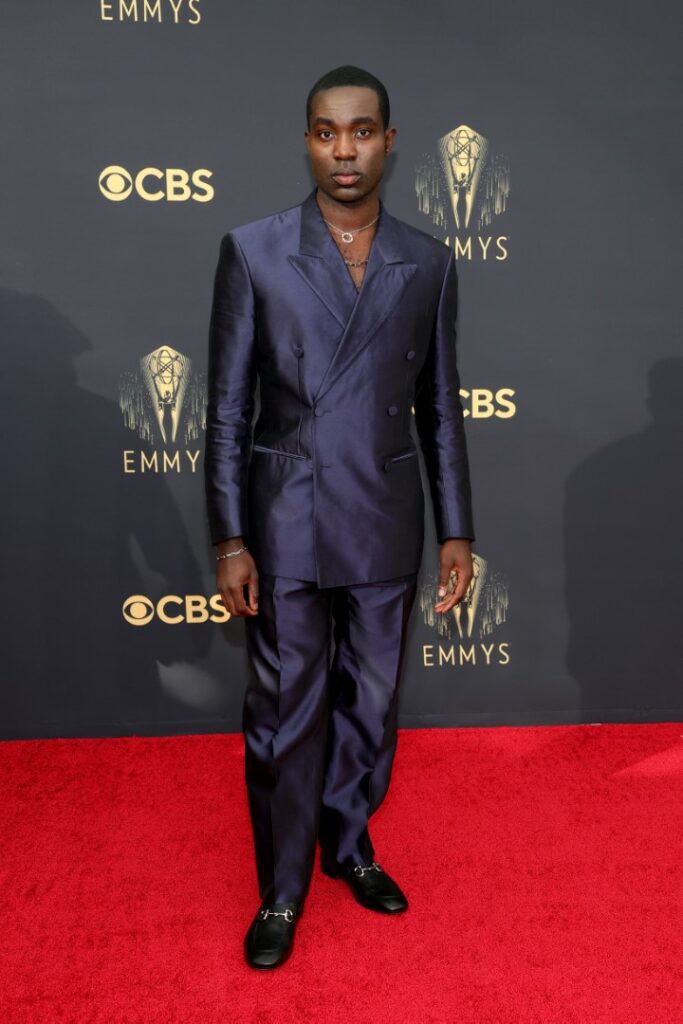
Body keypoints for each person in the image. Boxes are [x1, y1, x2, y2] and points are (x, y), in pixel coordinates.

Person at [204, 65, 475, 970]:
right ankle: (281, 891)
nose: (344, 149)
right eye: (327, 131)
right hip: (284, 521)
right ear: (307, 140)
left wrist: (457, 530)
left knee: (369, 707)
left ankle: (348, 847)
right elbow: (226, 409)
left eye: (361, 131)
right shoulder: (254, 250)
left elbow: (440, 406)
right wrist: (230, 536)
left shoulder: (429, 260)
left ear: (388, 142)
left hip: (385, 518)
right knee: (285, 713)